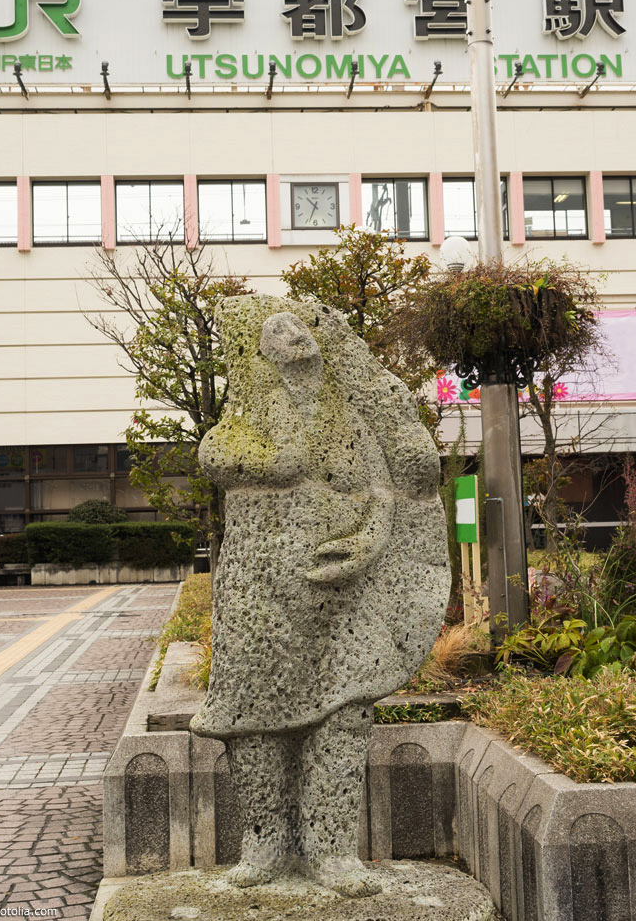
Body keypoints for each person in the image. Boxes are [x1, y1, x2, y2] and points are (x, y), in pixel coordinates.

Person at [191, 295, 449, 897]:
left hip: (344, 594)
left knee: (344, 713)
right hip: (262, 589)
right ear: (257, 351)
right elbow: (219, 458)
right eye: (277, 329)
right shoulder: (239, 428)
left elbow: (388, 491)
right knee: (251, 718)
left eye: (300, 326)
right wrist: (282, 459)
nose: (294, 336)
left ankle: (332, 851)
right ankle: (265, 845)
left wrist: (368, 541)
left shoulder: (349, 418)